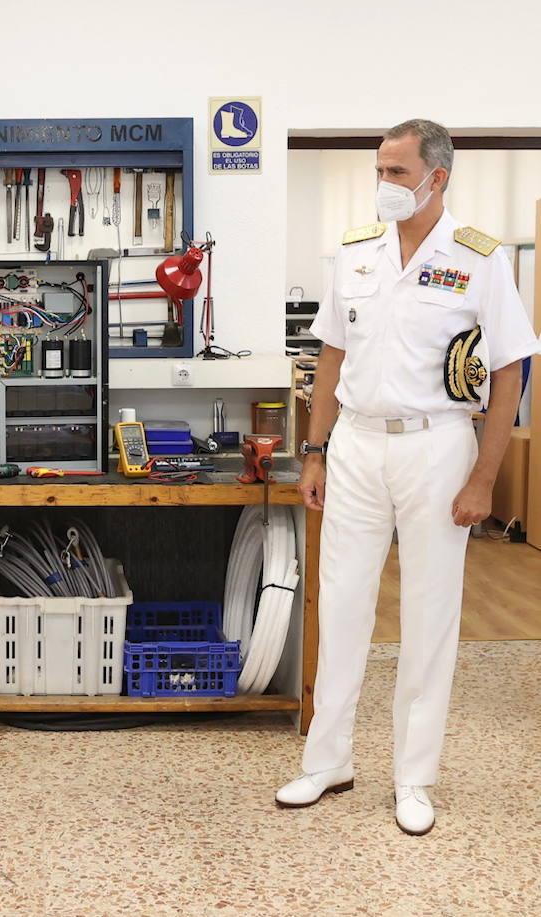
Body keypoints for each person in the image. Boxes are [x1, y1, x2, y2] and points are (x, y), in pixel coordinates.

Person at [279, 120, 539, 834]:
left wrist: (486, 477)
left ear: (437, 178)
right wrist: (315, 449)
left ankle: (413, 777)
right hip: (358, 444)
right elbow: (331, 355)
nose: (384, 184)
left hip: (437, 446)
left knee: (429, 614)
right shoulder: (356, 252)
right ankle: (325, 759)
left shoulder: (478, 258)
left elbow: (512, 367)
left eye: (397, 172)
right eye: (380, 170)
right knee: (341, 605)